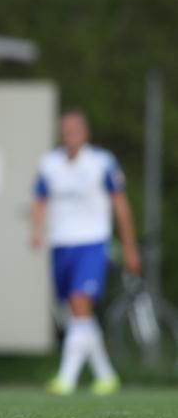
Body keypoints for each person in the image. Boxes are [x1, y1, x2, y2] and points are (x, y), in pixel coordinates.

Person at [31, 110, 141, 395]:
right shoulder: (49, 163)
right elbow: (40, 200)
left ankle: (66, 379)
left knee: (80, 304)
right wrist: (36, 230)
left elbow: (120, 205)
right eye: (65, 132)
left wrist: (130, 246)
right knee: (76, 314)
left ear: (85, 133)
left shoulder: (102, 162)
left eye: (75, 131)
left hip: (92, 242)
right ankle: (106, 375)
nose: (70, 137)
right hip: (60, 244)